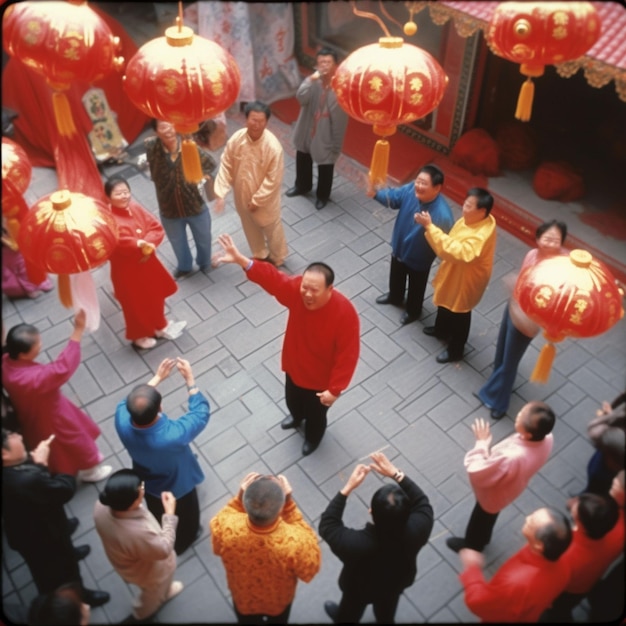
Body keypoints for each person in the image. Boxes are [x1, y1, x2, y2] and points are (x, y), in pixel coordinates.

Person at [212, 233, 360, 456]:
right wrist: (243, 261)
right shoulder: (297, 291)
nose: (307, 294)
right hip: (294, 365)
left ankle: (313, 437)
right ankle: (296, 416)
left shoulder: (345, 313)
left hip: (319, 380)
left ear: (330, 289)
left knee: (316, 415)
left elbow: (348, 355)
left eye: (314, 290)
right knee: (292, 399)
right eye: (305, 288)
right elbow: (274, 279)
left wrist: (335, 389)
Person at [319, 451, 434, 624]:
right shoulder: (420, 527)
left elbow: (328, 525)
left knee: (349, 613)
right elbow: (422, 501)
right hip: (397, 582)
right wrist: (396, 474)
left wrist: (347, 488)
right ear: (408, 512)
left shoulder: (356, 545)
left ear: (371, 512)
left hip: (358, 589)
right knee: (387, 608)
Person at [2, 429, 110, 608]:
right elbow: (64, 489)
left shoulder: (13, 475)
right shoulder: (25, 481)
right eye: (11, 436)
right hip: (44, 538)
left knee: (54, 561)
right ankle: (77, 598)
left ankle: (71, 554)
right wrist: (44, 465)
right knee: (62, 575)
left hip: (30, 527)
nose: (19, 436)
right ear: (4, 453)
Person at [114, 357, 210, 555]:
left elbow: (127, 401)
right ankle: (184, 539)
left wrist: (157, 378)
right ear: (159, 408)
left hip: (148, 479)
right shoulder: (172, 435)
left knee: (157, 509)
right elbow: (200, 413)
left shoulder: (121, 419)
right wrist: (190, 381)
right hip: (178, 483)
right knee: (186, 513)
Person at [2, 310, 112, 481]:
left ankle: (67, 468)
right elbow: (63, 367)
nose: (40, 346)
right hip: (53, 416)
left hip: (32, 415)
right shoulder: (35, 380)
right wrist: (77, 331)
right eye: (37, 346)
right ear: (23, 354)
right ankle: (90, 470)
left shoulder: (6, 363)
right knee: (76, 440)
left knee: (56, 449)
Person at [476, 220, 568, 418]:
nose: (550, 243)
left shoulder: (560, 270)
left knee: (510, 360)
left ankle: (499, 403)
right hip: (514, 305)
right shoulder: (532, 255)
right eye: (547, 238)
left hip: (528, 319)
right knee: (502, 350)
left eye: (556, 240)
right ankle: (496, 383)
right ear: (537, 238)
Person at [210, 471, 321, 624]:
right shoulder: (296, 541)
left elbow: (216, 547)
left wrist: (237, 499)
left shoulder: (225, 525)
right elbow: (309, 571)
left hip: (243, 597)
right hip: (278, 600)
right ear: (281, 508)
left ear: (245, 503)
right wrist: (291, 508)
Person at [446, 401, 556, 554]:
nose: (518, 416)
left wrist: (481, 443)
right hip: (511, 489)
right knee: (489, 517)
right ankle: (484, 538)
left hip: (494, 493)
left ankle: (473, 545)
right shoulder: (548, 438)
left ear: (527, 434)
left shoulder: (512, 458)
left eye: (519, 418)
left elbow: (477, 471)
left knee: (481, 517)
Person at [104, 175, 187, 350]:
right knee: (134, 304)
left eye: (126, 192)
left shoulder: (134, 207)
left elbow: (155, 227)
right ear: (109, 197)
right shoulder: (107, 220)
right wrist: (137, 243)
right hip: (127, 271)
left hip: (148, 264)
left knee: (155, 295)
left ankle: (160, 325)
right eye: (118, 194)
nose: (124, 196)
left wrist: (147, 242)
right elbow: (116, 242)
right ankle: (139, 335)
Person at [415, 187, 497, 363]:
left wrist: (430, 227)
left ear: (481, 211)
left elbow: (457, 251)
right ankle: (441, 329)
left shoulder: (480, 236)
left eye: (468, 206)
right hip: (455, 270)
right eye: (465, 203)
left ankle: (456, 349)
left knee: (460, 310)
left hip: (466, 278)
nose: (463, 208)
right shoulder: (473, 220)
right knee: (446, 298)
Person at [369, 164, 454, 325]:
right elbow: (393, 198)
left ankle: (413, 311)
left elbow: (446, 243)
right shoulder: (410, 190)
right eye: (418, 181)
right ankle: (395, 296)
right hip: (400, 247)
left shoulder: (443, 214)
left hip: (420, 258)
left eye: (424, 183)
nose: (419, 186)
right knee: (396, 274)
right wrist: (375, 194)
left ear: (437, 188)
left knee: (417, 286)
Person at [93, 469, 183, 621]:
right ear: (131, 503)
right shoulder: (137, 534)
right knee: (153, 593)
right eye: (140, 488)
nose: (143, 487)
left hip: (124, 560)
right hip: (148, 572)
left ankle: (161, 593)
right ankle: (142, 613)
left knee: (153, 588)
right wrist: (169, 513)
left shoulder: (100, 506)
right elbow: (164, 549)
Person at [458, 507, 572, 622]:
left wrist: (472, 569)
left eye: (532, 522)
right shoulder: (564, 567)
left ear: (539, 545)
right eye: (532, 514)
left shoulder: (517, 583)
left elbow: (478, 603)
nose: (527, 518)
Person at [213, 101, 288, 267]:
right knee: (249, 226)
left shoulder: (272, 147)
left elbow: (273, 179)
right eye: (253, 120)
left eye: (261, 121)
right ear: (246, 119)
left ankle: (278, 256)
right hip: (242, 195)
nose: (256, 125)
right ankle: (260, 253)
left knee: (272, 228)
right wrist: (221, 193)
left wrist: (257, 201)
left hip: (265, 200)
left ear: (266, 123)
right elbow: (226, 164)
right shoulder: (237, 139)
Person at [144, 119, 217, 278]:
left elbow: (211, 164)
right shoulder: (152, 147)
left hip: (195, 206)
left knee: (204, 237)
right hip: (168, 208)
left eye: (171, 125)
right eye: (163, 127)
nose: (169, 130)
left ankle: (205, 263)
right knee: (177, 242)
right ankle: (184, 266)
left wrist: (199, 176)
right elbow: (146, 163)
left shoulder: (189, 147)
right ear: (156, 132)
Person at [543, 489, 623, 622]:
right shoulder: (620, 530)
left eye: (575, 511)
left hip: (569, 590)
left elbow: (553, 580)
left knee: (558, 611)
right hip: (587, 584)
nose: (571, 502)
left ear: (582, 525)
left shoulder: (566, 551)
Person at [286, 47, 348, 210]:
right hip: (307, 129)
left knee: (326, 164)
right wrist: (310, 80)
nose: (324, 66)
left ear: (336, 65)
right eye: (321, 62)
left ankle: (323, 195)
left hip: (324, 133)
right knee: (303, 158)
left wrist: (336, 146)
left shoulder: (340, 88)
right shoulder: (313, 82)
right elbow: (301, 98)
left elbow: (340, 123)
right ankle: (302, 186)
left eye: (328, 62)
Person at [584, 392, 625, 495]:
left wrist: (609, 415)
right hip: (612, 450)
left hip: (614, 454)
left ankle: (591, 493)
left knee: (597, 476)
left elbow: (594, 431)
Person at [2, 224, 54, 299]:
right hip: (9, 246)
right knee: (22, 265)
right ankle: (33, 287)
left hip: (14, 233)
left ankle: (37, 282)